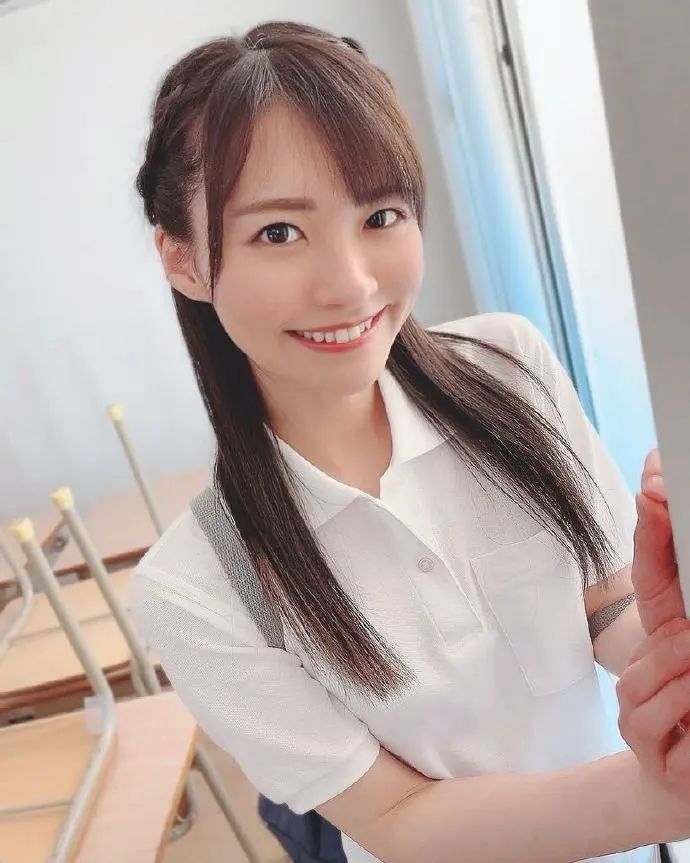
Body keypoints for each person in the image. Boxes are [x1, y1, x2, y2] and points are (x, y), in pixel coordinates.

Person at [131, 21, 690, 863]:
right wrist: (655, 796)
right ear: (183, 260)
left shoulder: (508, 366)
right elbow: (399, 818)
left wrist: (672, 662)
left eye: (381, 215)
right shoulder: (198, 585)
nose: (350, 283)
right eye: (278, 232)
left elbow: (603, 602)